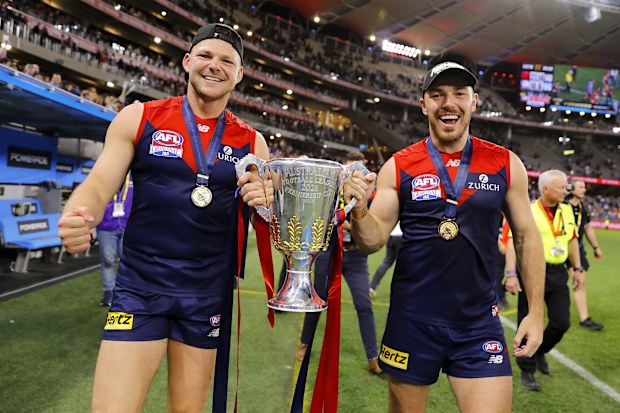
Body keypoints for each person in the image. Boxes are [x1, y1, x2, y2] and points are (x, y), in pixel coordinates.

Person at [58, 23, 272, 412]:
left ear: (239, 74)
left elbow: (265, 221)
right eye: (206, 55)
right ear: (187, 62)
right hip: (140, 288)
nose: (215, 66)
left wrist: (265, 203)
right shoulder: (139, 118)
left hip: (207, 295)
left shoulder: (252, 142)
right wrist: (79, 213)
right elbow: (98, 183)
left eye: (227, 60)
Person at [345, 60, 545, 413]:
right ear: (424, 104)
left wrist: (536, 312)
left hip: (478, 323)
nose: (448, 103)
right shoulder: (400, 164)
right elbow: (373, 240)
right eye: (437, 94)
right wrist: (359, 209)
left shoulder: (505, 162)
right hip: (412, 320)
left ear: (474, 102)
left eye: (459, 94)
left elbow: (527, 238)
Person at [295, 151, 383, 375]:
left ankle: (373, 355)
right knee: (318, 301)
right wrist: (349, 222)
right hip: (330, 252)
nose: (356, 175)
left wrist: (343, 222)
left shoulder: (369, 196)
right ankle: (305, 343)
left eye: (360, 170)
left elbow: (368, 228)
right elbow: (321, 221)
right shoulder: (330, 191)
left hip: (355, 256)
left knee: (364, 304)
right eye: (351, 170)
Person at [506, 170, 585, 391]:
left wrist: (576, 269)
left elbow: (571, 241)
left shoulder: (568, 211)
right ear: (546, 189)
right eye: (561, 187)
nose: (565, 191)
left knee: (562, 322)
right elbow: (515, 241)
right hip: (531, 272)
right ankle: (527, 370)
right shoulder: (528, 211)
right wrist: (511, 273)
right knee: (527, 319)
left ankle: (540, 351)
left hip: (558, 272)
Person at [566, 178, 604, 330]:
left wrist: (596, 247)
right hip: (557, 249)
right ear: (571, 188)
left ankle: (584, 318)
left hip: (577, 248)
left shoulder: (583, 207)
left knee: (579, 281)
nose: (584, 189)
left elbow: (588, 227)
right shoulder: (561, 205)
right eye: (581, 187)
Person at [96, 172, 133, 306]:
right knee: (107, 260)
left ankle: (126, 292)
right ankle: (109, 293)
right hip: (106, 225)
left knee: (128, 262)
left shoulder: (135, 175)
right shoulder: (103, 175)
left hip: (128, 225)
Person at [369, 221, 402, 297]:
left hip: (391, 236)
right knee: (402, 266)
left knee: (386, 262)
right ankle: (401, 290)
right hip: (401, 237)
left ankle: (372, 287)